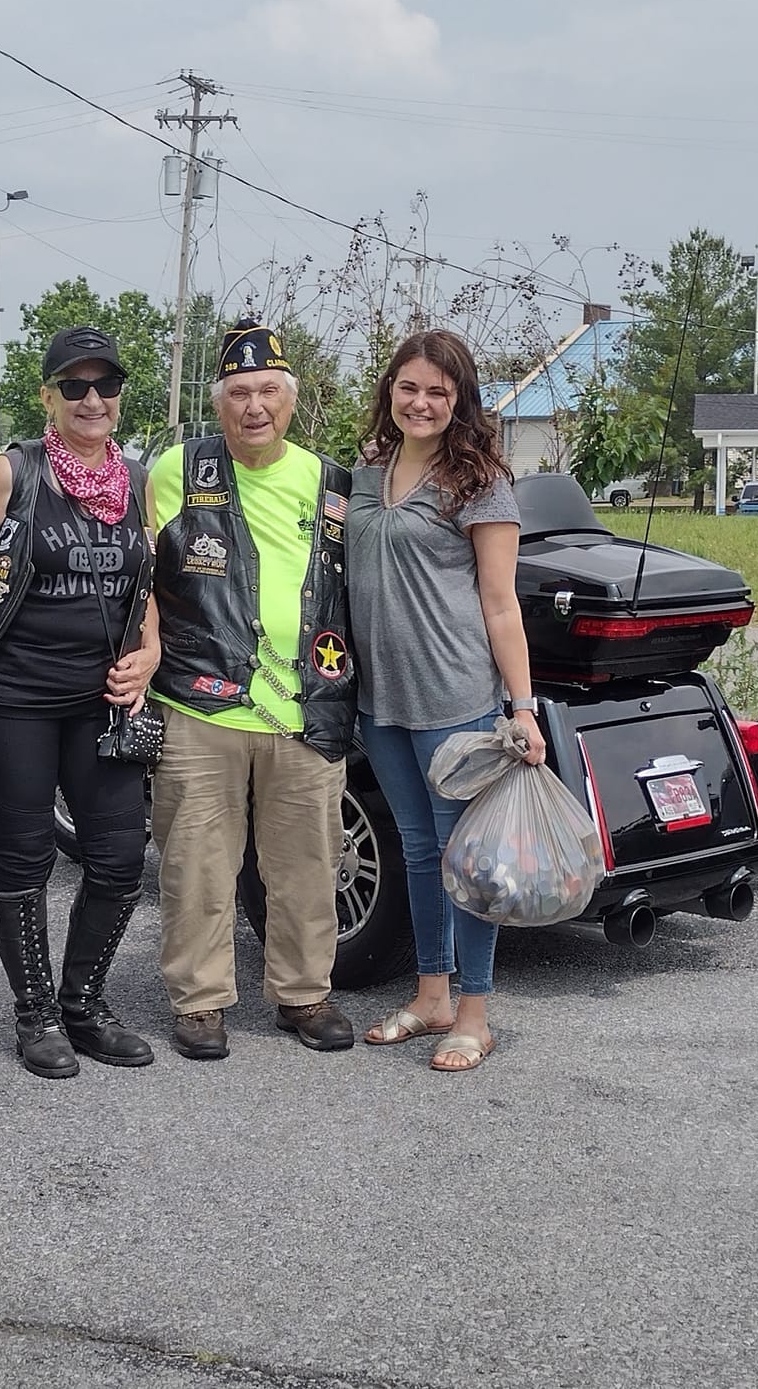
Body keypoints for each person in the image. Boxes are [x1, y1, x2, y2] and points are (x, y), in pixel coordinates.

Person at [148, 316, 357, 1060]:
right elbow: (142, 576)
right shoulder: (176, 470)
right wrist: (144, 652)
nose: (255, 406)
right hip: (200, 701)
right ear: (219, 401)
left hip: (305, 706)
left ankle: (304, 995)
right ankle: (199, 1002)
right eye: (239, 392)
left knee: (306, 861)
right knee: (197, 859)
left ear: (291, 399)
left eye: (269, 390)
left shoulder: (333, 482)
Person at [0, 326, 160, 1079]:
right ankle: (36, 1013)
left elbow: (147, 582)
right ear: (48, 397)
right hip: (13, 700)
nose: (92, 399)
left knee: (117, 857)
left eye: (105, 385)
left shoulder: (137, 481)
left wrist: (151, 654)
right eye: (74, 386)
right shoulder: (14, 472)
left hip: (102, 701)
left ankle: (84, 1002)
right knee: (26, 857)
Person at [346, 328, 544, 1073]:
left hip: (456, 699)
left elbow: (500, 605)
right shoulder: (368, 473)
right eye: (409, 387)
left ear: (459, 400)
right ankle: (431, 996)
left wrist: (521, 707)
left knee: (471, 860)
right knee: (422, 854)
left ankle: (476, 1012)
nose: (420, 402)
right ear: (389, 391)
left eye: (438, 391)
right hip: (383, 702)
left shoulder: (480, 481)